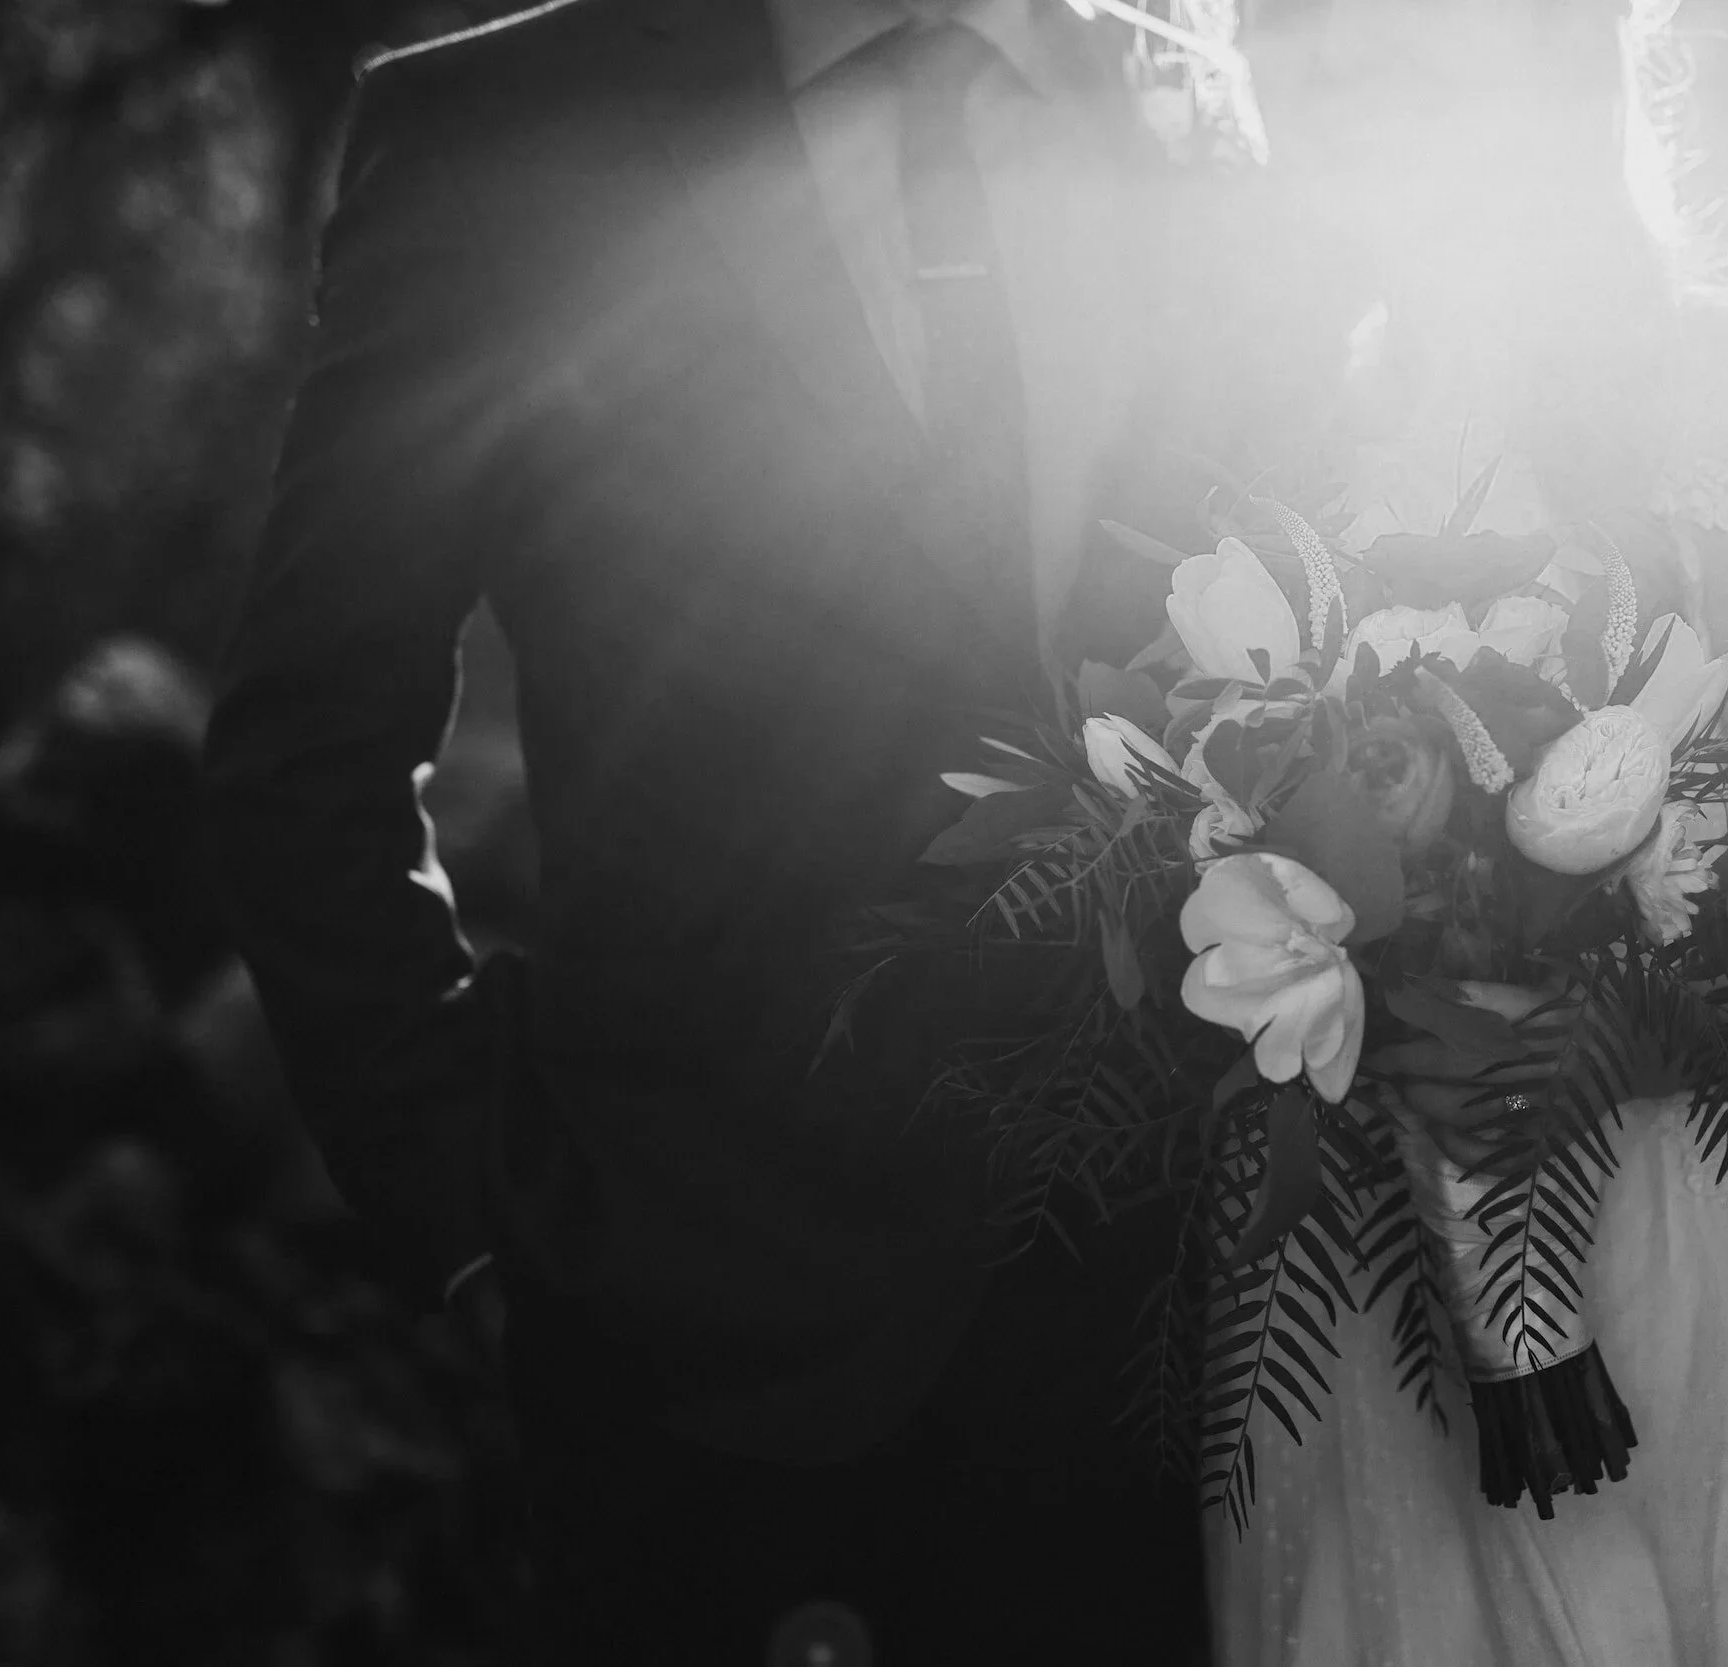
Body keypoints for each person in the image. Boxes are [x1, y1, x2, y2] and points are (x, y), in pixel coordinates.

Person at [201, 1, 1208, 1659]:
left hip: (1191, 1348)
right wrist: (476, 1223)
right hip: (707, 1364)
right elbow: (306, 740)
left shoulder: (1188, 106)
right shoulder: (504, 138)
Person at [1207, 2, 1728, 1661]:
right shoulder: (1263, 430)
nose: (1326, 69)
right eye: (1280, 31)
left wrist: (1568, 995)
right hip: (1325, 1300)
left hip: (1643, 1248)